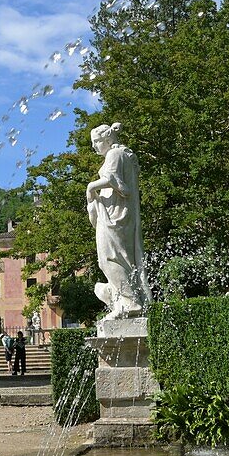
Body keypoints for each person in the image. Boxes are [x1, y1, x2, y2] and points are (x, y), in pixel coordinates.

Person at [86, 123, 152, 319]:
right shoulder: (120, 155)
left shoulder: (115, 155)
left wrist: (90, 187)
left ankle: (131, 303)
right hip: (115, 213)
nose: (94, 147)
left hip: (115, 216)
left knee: (110, 258)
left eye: (95, 142)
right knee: (114, 259)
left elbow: (116, 182)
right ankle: (124, 300)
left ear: (107, 140)